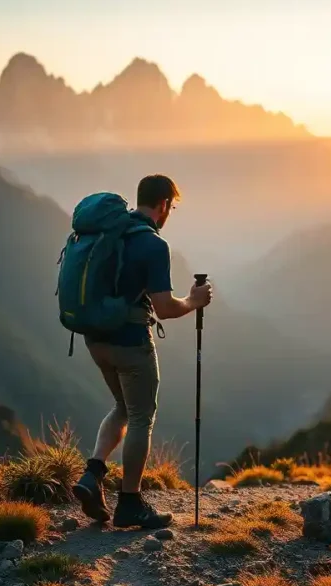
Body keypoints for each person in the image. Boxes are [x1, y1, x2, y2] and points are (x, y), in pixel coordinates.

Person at [72, 174, 213, 529]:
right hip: (130, 343)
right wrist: (193, 301)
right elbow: (165, 308)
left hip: (94, 338)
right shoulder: (152, 244)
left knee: (122, 407)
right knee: (140, 417)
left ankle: (93, 473)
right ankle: (130, 503)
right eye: (171, 207)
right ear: (164, 204)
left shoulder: (110, 233)